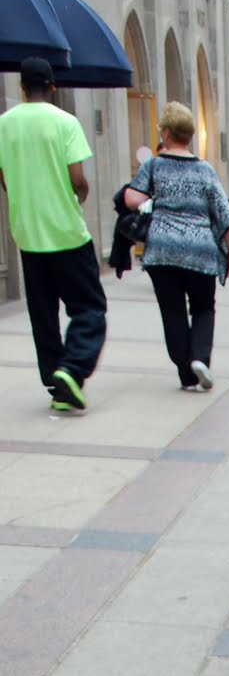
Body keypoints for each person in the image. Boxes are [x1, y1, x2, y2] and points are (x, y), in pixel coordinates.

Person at [0, 56, 107, 412]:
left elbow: (3, 175)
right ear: (53, 87)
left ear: (21, 86)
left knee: (42, 312)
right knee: (89, 307)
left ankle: (55, 381)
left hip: (28, 235)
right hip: (66, 233)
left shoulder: (5, 123)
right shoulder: (65, 122)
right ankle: (72, 370)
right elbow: (77, 178)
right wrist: (82, 191)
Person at [124, 101, 229, 391]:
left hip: (162, 249)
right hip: (200, 250)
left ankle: (185, 372)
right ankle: (200, 358)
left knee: (172, 312)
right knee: (203, 308)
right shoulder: (205, 171)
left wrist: (153, 201)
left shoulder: (154, 166)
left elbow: (131, 199)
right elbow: (224, 214)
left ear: (167, 133)